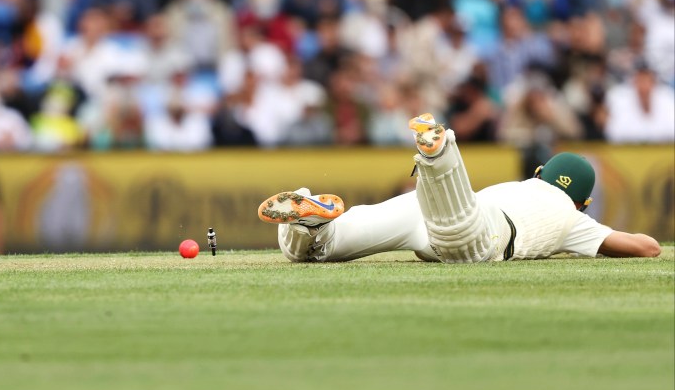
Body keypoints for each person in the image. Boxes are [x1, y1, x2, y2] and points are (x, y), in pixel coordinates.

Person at [257, 113, 662, 263]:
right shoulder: (574, 220)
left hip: (429, 212)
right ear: (584, 202)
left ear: (539, 173)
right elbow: (647, 247)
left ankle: (307, 224)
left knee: (329, 243)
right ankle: (438, 152)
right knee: (456, 221)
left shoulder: (521, 184)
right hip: (479, 231)